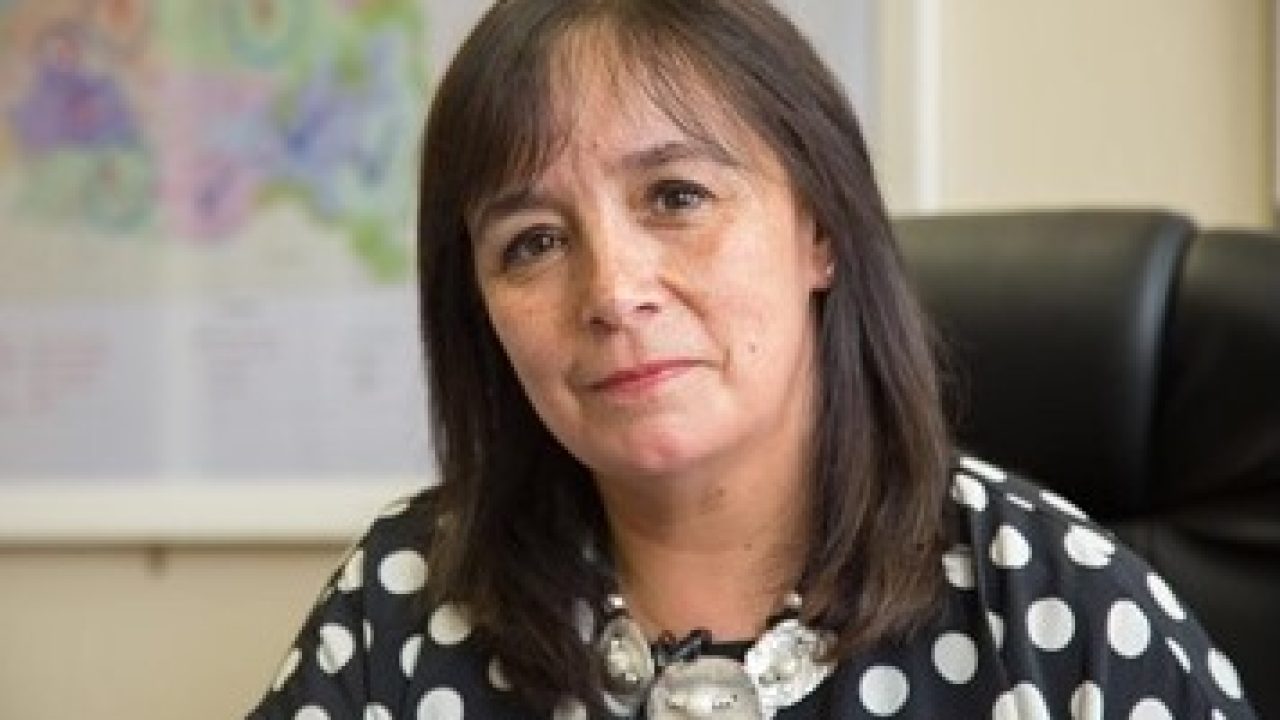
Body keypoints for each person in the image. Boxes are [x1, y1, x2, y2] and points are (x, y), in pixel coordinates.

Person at [247, 1, 1257, 718]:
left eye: (676, 197)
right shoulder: (406, 601)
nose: (612, 292)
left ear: (819, 229)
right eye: (534, 242)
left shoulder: (1061, 610)